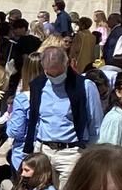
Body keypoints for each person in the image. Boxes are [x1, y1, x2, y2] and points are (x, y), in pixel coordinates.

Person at [6, 45, 99, 181]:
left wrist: (90, 155)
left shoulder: (85, 87)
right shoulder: (38, 85)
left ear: (66, 64)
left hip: (71, 152)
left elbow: (95, 125)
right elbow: (36, 121)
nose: (55, 77)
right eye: (50, 74)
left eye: (58, 73)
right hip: (43, 151)